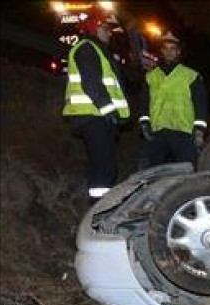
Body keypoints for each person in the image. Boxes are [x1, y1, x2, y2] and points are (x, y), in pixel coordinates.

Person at [62, 7, 129, 204]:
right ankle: (99, 215)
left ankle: (96, 214)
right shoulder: (87, 48)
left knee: (100, 166)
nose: (109, 33)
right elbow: (91, 84)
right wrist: (109, 112)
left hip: (95, 116)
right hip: (93, 116)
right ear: (93, 28)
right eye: (105, 28)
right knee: (105, 168)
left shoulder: (97, 50)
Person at [137, 31, 208, 169]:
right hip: (158, 132)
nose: (169, 52)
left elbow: (201, 105)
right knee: (148, 170)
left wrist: (199, 130)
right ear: (161, 51)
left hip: (183, 132)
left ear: (178, 52)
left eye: (173, 49)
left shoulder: (191, 76)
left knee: (188, 171)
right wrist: (144, 124)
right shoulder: (151, 76)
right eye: (166, 48)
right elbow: (144, 102)